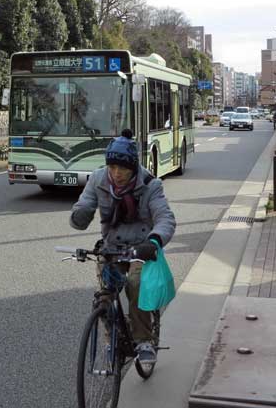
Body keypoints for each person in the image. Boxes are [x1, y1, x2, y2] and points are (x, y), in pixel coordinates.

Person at [70, 129, 176, 372]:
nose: (116, 174)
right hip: (111, 247)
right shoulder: (98, 179)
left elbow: (165, 218)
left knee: (136, 284)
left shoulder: (151, 185)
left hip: (141, 247)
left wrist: (154, 242)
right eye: (112, 167)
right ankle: (112, 340)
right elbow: (83, 208)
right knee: (105, 295)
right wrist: (80, 214)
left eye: (123, 169)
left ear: (133, 167)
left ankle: (143, 341)